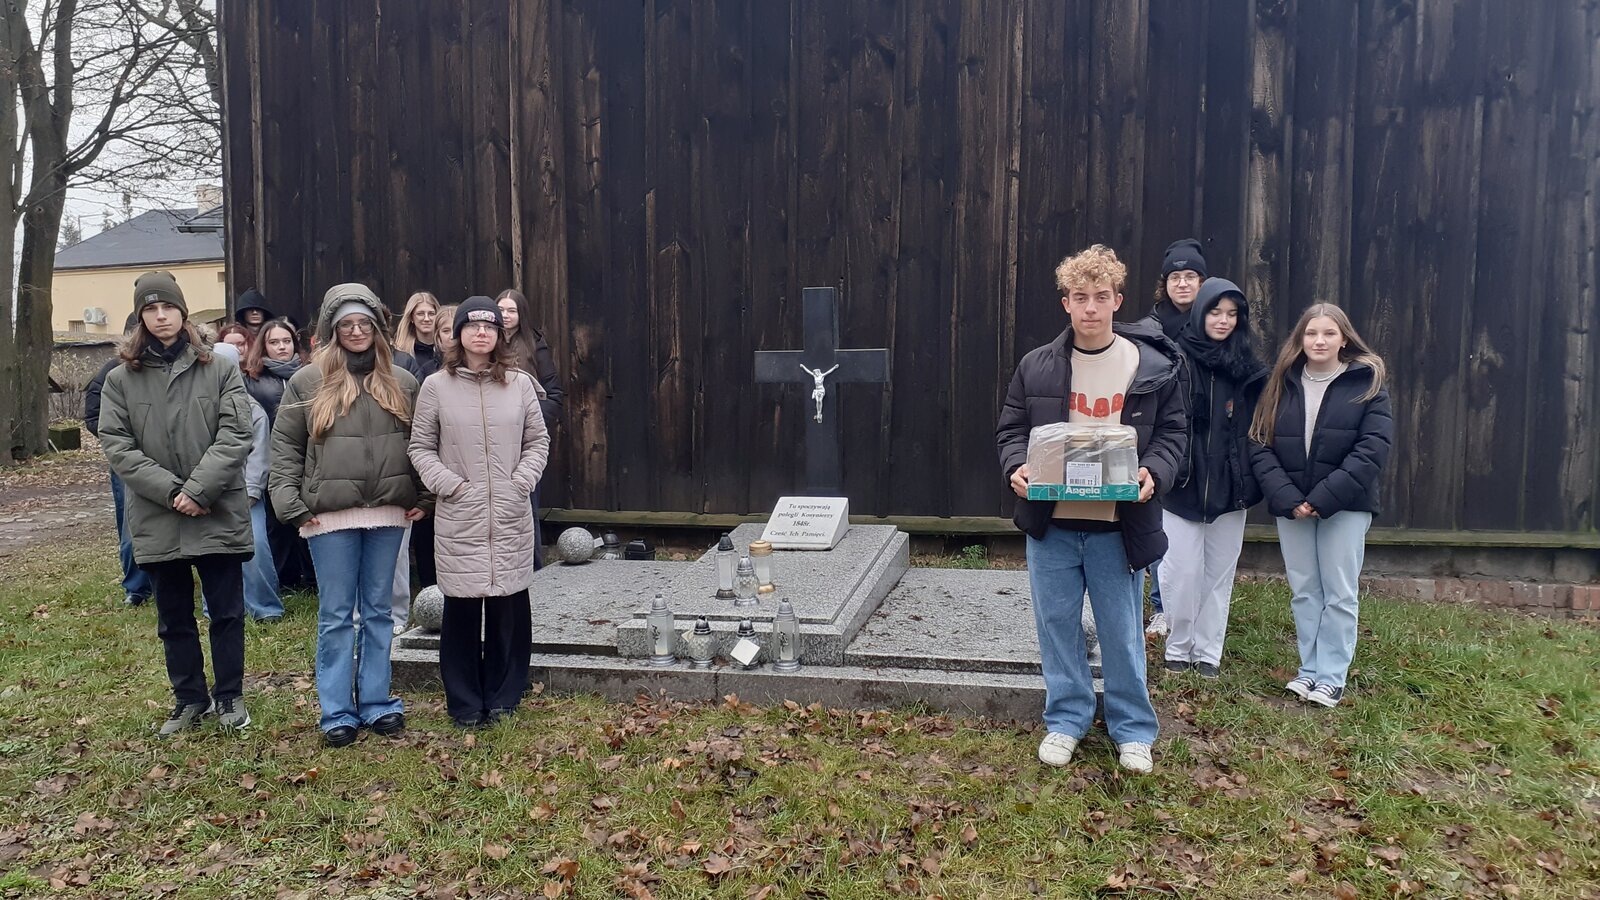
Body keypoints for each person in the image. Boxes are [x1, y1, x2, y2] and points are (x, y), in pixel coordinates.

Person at [996, 245, 1186, 774]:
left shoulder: (1148, 365)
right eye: (1080, 298)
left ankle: (1132, 729)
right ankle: (1066, 719)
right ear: (1066, 304)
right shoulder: (1037, 366)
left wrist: (1156, 472)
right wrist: (1017, 466)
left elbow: (1173, 434)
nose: (1091, 308)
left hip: (1117, 526)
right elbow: (1012, 430)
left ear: (1117, 300)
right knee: (1056, 625)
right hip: (1052, 524)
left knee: (1123, 631)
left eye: (1101, 297)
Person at [97, 272, 254, 737]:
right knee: (173, 616)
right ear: (140, 318)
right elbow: (117, 444)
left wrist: (198, 489)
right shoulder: (121, 379)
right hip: (157, 513)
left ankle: (229, 694)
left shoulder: (220, 368)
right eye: (150, 309)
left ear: (183, 313)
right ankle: (189, 698)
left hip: (215, 507)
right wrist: (171, 492)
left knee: (226, 611)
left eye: (167, 307)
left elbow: (237, 432)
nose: (160, 316)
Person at [270, 284, 427, 747]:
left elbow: (421, 443)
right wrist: (291, 506)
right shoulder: (306, 382)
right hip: (327, 518)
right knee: (337, 614)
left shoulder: (402, 380)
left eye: (365, 324)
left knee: (380, 612)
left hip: (388, 513)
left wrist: (423, 496)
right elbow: (285, 450)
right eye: (347, 325)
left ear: (377, 329)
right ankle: (337, 710)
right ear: (332, 330)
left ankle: (377, 702)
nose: (357, 332)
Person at [410, 296, 550, 729]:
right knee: (463, 613)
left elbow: (537, 441)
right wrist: (450, 486)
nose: (482, 333)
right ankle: (466, 702)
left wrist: (520, 482)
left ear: (499, 334)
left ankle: (505, 695)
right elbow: (420, 447)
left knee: (509, 607)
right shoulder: (436, 386)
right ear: (458, 334)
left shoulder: (521, 384)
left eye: (490, 326)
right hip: (461, 515)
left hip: (508, 512)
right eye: (472, 326)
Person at [1249, 304, 1392, 708]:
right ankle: (1308, 670)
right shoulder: (1281, 383)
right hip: (1291, 505)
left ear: (1343, 338)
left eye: (1329, 333)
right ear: (1301, 339)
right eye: (1311, 333)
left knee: (1339, 592)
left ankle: (1331, 676)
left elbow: (1372, 450)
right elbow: (1259, 442)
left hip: (1345, 506)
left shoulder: (1367, 383)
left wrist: (1323, 498)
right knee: (1305, 590)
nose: (1319, 341)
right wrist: (1289, 498)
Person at [1157, 278, 1267, 678]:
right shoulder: (1174, 359)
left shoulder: (1250, 370)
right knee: (1181, 572)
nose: (1223, 321)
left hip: (1231, 485)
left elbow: (1260, 431)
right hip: (1182, 484)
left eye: (1232, 314)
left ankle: (1208, 652)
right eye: (1216, 311)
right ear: (1201, 312)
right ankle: (1179, 644)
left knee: (1218, 573)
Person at [1136, 238, 1207, 639]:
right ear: (1165, 284)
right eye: (1175, 277)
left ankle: (1196, 605)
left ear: (1202, 280)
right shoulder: (1152, 328)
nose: (1183, 284)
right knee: (1162, 520)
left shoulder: (1217, 321)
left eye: (1191, 276)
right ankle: (1163, 607)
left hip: (1205, 434)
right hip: (1164, 433)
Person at [84, 312, 153, 607]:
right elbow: (94, 416)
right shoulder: (113, 371)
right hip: (127, 460)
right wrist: (123, 444)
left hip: (168, 456)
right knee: (130, 522)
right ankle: (136, 587)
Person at [213, 342, 283, 622]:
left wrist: (252, 491)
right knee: (213, 553)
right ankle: (215, 606)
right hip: (210, 493)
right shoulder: (198, 404)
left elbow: (260, 454)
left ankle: (265, 606)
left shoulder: (251, 408)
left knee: (255, 550)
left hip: (244, 493)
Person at [243, 319, 315, 591]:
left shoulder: (308, 373)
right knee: (277, 522)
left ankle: (312, 577)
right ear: (264, 346)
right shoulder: (252, 378)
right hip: (271, 456)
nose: (281, 347)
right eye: (274, 342)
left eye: (286, 341)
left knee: (307, 515)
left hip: (308, 455)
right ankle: (285, 578)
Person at [495, 288, 564, 568]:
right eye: (501, 310)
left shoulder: (535, 345)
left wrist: (530, 423)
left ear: (521, 314)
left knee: (526, 504)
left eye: (511, 310)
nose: (506, 316)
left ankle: (533, 567)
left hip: (524, 440)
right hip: (491, 437)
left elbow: (554, 395)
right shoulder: (486, 343)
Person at [394, 292, 443, 379]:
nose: (427, 319)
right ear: (411, 317)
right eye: (420, 314)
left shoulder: (445, 351)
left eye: (431, 314)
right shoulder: (401, 354)